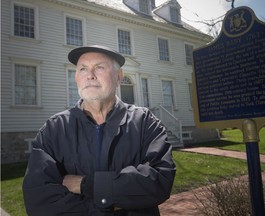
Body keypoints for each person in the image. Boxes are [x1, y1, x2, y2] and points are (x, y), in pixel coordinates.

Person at [22, 45, 176, 216]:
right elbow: (39, 200)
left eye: (99, 67)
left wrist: (85, 185)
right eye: (83, 69)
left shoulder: (145, 122)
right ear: (76, 78)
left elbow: (160, 180)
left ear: (118, 77)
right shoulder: (54, 129)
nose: (90, 75)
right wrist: (107, 206)